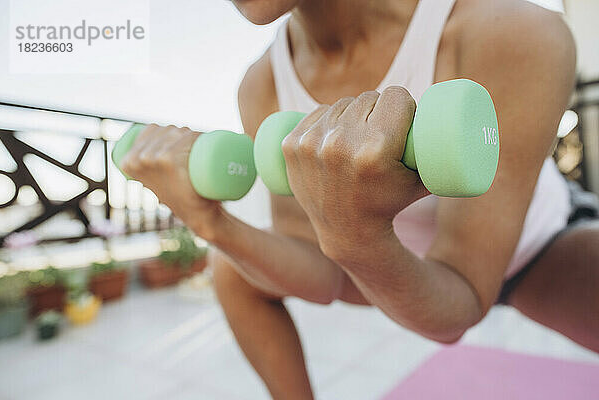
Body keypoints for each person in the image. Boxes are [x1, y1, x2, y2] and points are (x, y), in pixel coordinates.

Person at [120, 0, 599, 398]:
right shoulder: (260, 84)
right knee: (231, 269)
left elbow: (458, 307)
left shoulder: (511, 31)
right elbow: (319, 268)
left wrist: (355, 237)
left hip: (538, 246)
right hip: (389, 268)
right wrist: (211, 225)